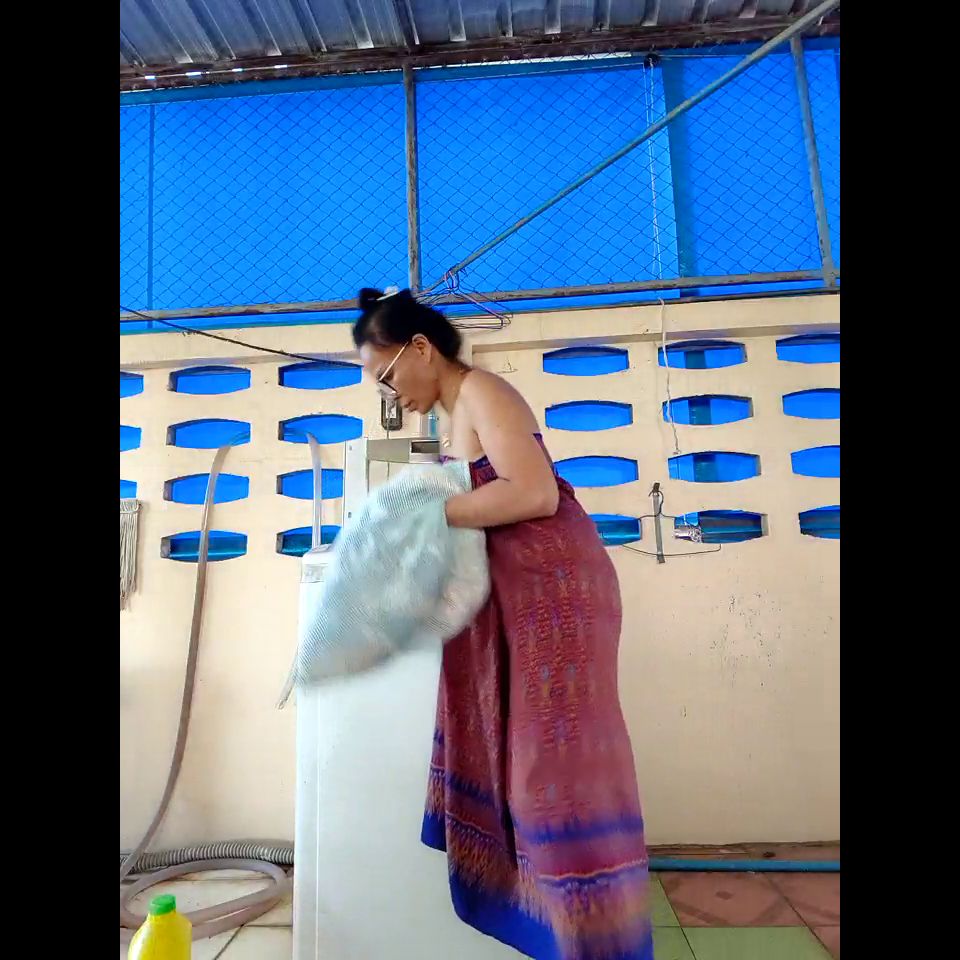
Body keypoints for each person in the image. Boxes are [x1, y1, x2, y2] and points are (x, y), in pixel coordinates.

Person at [353, 288, 653, 960]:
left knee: (556, 775)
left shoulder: (484, 391)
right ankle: (559, 935)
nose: (391, 395)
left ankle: (599, 940)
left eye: (387, 377)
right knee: (526, 773)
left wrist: (419, 515)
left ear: (422, 349)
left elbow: (534, 492)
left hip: (557, 596)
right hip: (519, 600)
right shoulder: (456, 415)